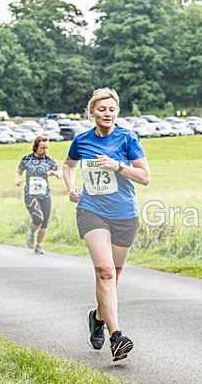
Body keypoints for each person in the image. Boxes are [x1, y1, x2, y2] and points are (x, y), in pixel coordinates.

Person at [62, 88, 150, 362]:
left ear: (117, 112)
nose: (107, 114)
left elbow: (145, 176)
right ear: (91, 113)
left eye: (112, 109)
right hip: (92, 210)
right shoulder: (81, 140)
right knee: (105, 272)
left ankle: (98, 316)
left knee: (114, 275)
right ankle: (116, 336)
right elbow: (68, 165)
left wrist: (117, 166)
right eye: (102, 109)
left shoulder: (127, 138)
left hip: (124, 214)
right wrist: (71, 186)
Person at [15, 135, 62, 254]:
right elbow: (19, 171)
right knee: (38, 218)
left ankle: (39, 245)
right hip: (30, 194)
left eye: (47, 148)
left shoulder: (49, 160)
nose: (45, 150)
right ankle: (31, 234)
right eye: (42, 148)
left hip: (45, 194)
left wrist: (54, 173)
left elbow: (60, 172)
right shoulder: (27, 159)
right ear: (36, 147)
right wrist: (17, 179)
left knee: (45, 221)